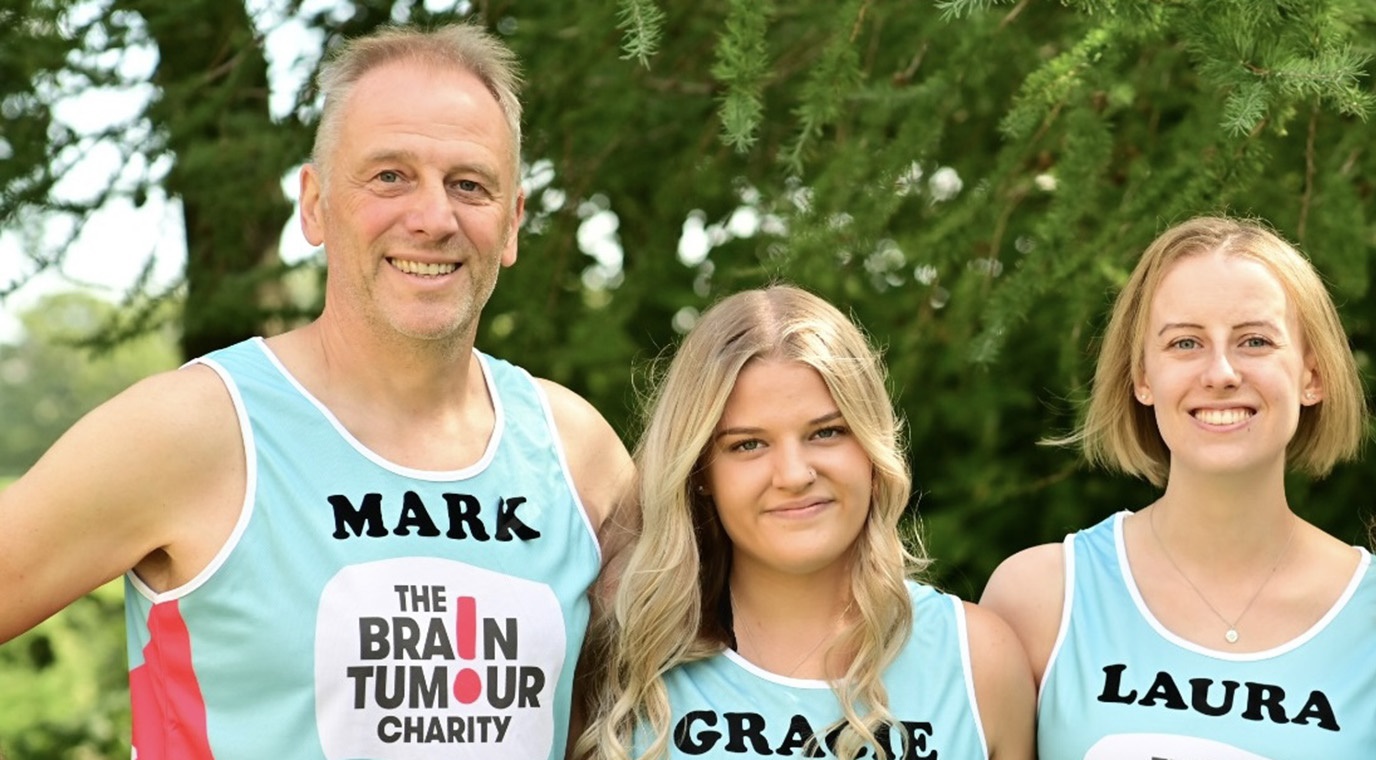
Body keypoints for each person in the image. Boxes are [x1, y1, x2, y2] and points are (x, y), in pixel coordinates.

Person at [0, 23, 633, 758]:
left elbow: (683, 687)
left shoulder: (575, 453)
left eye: (469, 184)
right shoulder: (198, 428)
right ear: (314, 204)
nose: (433, 218)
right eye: (389, 175)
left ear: (513, 222)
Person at [982, 216, 1376, 758]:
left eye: (1255, 341)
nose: (1220, 373)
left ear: (1313, 375)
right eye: (1186, 342)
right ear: (1141, 376)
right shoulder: (1041, 597)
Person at [572, 285, 1034, 759]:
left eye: (827, 432)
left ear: (872, 450)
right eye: (748, 444)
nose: (794, 475)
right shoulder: (622, 666)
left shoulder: (978, 660)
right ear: (700, 471)